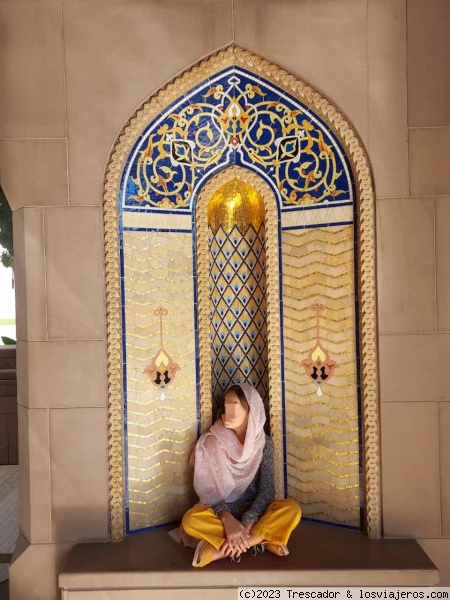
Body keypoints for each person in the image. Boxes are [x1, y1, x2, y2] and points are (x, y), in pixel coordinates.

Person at [181, 382, 301, 568]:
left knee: (291, 510)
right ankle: (262, 540)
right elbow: (209, 494)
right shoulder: (213, 441)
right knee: (191, 520)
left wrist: (246, 523)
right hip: (221, 515)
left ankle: (218, 551)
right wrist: (228, 521)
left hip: (256, 514)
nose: (226, 412)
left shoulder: (264, 444)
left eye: (234, 405)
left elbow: (266, 492)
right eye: (225, 405)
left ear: (250, 409)